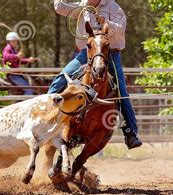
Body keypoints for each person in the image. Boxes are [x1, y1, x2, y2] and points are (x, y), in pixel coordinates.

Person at [49, 0, 142, 149]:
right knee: (59, 82)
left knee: (121, 92)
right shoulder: (83, 6)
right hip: (86, 54)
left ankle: (130, 133)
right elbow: (60, 7)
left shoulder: (113, 6)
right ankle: (45, 121)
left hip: (110, 54)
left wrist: (106, 22)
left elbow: (121, 28)